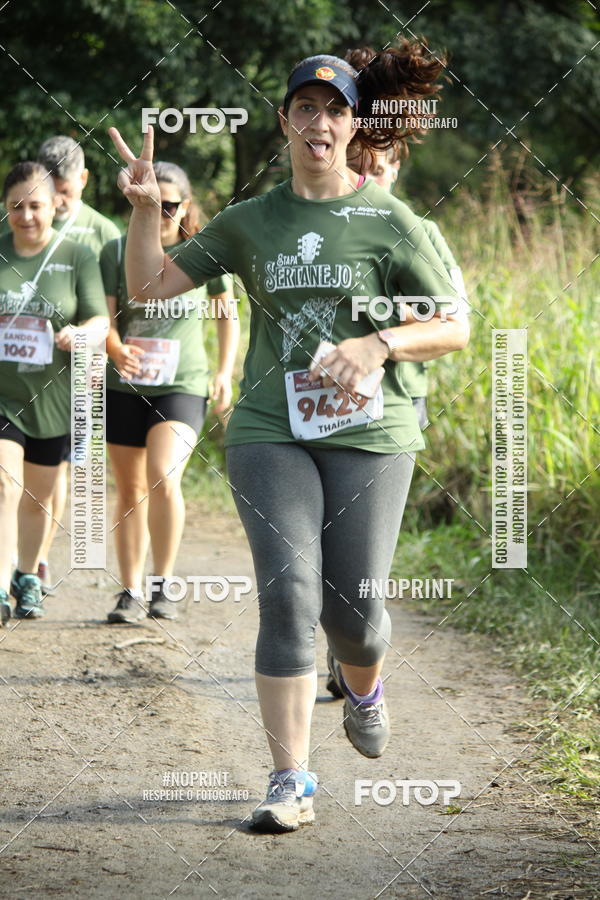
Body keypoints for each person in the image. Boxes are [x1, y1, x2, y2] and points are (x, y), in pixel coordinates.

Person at [107, 41, 469, 833]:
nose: (321, 122)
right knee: (289, 594)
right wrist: (145, 214)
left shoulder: (390, 220)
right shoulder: (251, 219)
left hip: (373, 434)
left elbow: (454, 325)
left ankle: (365, 686)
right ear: (285, 120)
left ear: (353, 126)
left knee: (358, 615)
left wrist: (378, 345)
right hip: (273, 428)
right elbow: (146, 289)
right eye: (307, 107)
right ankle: (290, 779)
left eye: (336, 110)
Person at [103, 161, 238, 623]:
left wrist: (223, 371)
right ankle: (129, 590)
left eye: (170, 206)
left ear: (186, 208)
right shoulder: (115, 250)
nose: (161, 213)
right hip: (124, 385)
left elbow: (226, 314)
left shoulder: (201, 252)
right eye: (153, 204)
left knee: (163, 475)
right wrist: (115, 347)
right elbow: (104, 315)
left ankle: (163, 585)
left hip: (181, 385)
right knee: (129, 489)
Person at [0, 161, 108, 622]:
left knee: (39, 497)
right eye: (15, 207)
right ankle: (2, 582)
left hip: (54, 397)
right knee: (5, 484)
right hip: (3, 394)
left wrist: (81, 333)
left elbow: (101, 320)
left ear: (56, 204)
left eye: (36, 206)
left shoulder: (78, 254)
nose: (26, 216)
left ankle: (27, 575)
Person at [27, 137, 121, 593]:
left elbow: (122, 303)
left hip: (84, 373)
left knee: (66, 467)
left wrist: (93, 334)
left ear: (84, 180)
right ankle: (33, 558)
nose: (60, 201)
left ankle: (43, 557)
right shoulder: (25, 224)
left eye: (67, 189)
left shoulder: (103, 231)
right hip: (27, 372)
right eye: (52, 190)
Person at [346, 141, 469, 432]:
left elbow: (458, 315)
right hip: (332, 388)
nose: (368, 182)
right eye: (356, 170)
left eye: (377, 171)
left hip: (401, 392)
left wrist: (379, 310)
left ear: (394, 171)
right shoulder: (325, 231)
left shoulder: (424, 232)